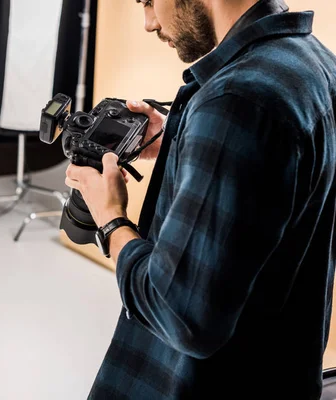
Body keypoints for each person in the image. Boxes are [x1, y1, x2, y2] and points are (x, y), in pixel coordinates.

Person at [64, 0, 336, 398]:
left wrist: (111, 219)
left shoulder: (236, 100)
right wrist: (181, 131)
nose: (149, 22)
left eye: (149, 2)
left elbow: (180, 315)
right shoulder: (314, 62)